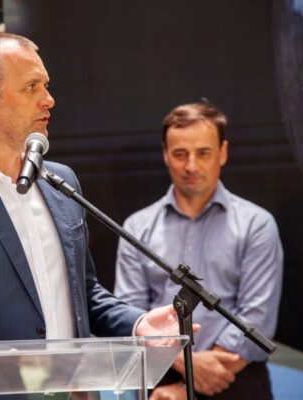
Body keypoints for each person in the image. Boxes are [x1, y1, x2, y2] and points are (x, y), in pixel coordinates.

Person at [0, 32, 186, 395]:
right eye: (31, 87)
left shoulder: (62, 183)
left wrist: (137, 324)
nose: (48, 99)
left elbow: (83, 292)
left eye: (46, 85)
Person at [114, 101, 283, 400]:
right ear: (165, 154)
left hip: (237, 381)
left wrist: (187, 386)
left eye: (203, 153)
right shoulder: (136, 228)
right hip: (160, 382)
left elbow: (256, 320)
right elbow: (131, 315)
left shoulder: (257, 224)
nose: (191, 166)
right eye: (180, 154)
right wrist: (184, 366)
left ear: (223, 152)